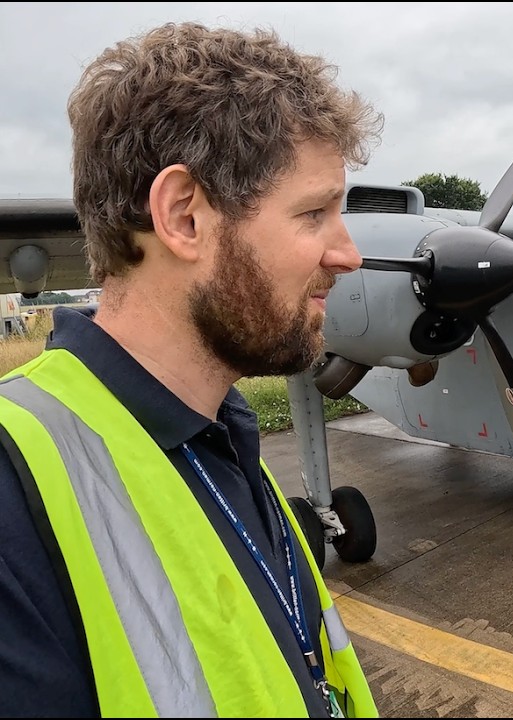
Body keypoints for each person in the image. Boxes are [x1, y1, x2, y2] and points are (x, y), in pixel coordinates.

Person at [0, 21, 385, 717]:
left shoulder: (225, 436)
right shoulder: (12, 486)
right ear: (183, 217)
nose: (348, 254)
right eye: (313, 213)